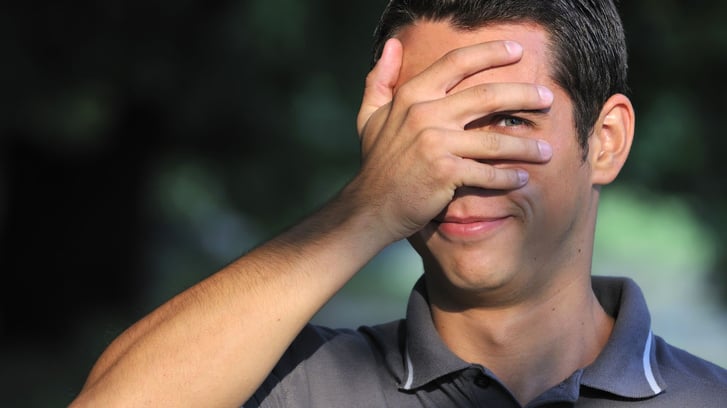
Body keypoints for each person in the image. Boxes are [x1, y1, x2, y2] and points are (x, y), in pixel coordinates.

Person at [71, 0, 727, 407]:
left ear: (604, 142)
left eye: (505, 120)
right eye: (422, 128)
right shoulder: (289, 386)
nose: (449, 168)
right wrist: (364, 210)